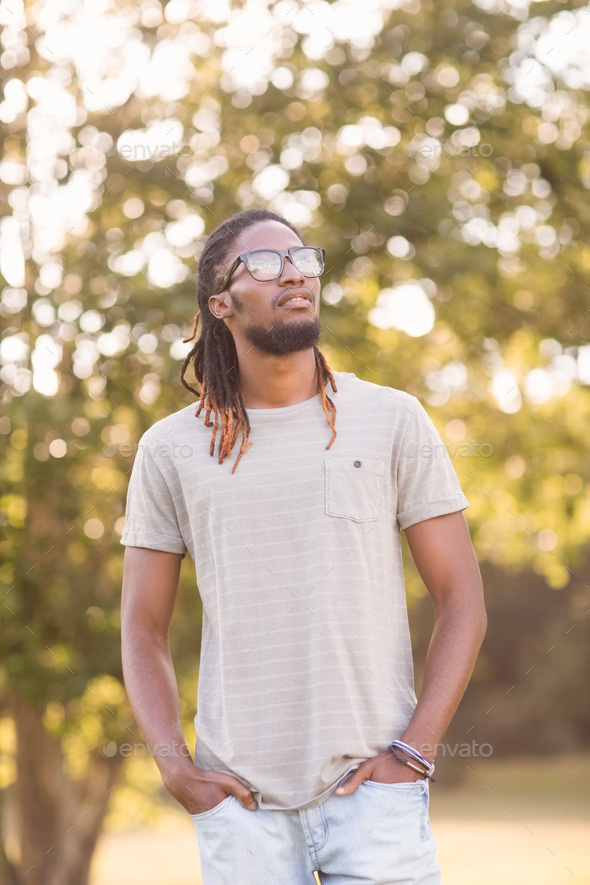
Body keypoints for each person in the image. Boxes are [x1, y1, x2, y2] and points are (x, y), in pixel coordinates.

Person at [120, 208, 487, 885]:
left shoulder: (392, 419)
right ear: (220, 302)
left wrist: (414, 752)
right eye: (264, 263)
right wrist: (175, 765)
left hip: (374, 797)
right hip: (242, 806)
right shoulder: (169, 449)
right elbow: (143, 628)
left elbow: (463, 598)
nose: (294, 273)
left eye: (302, 259)